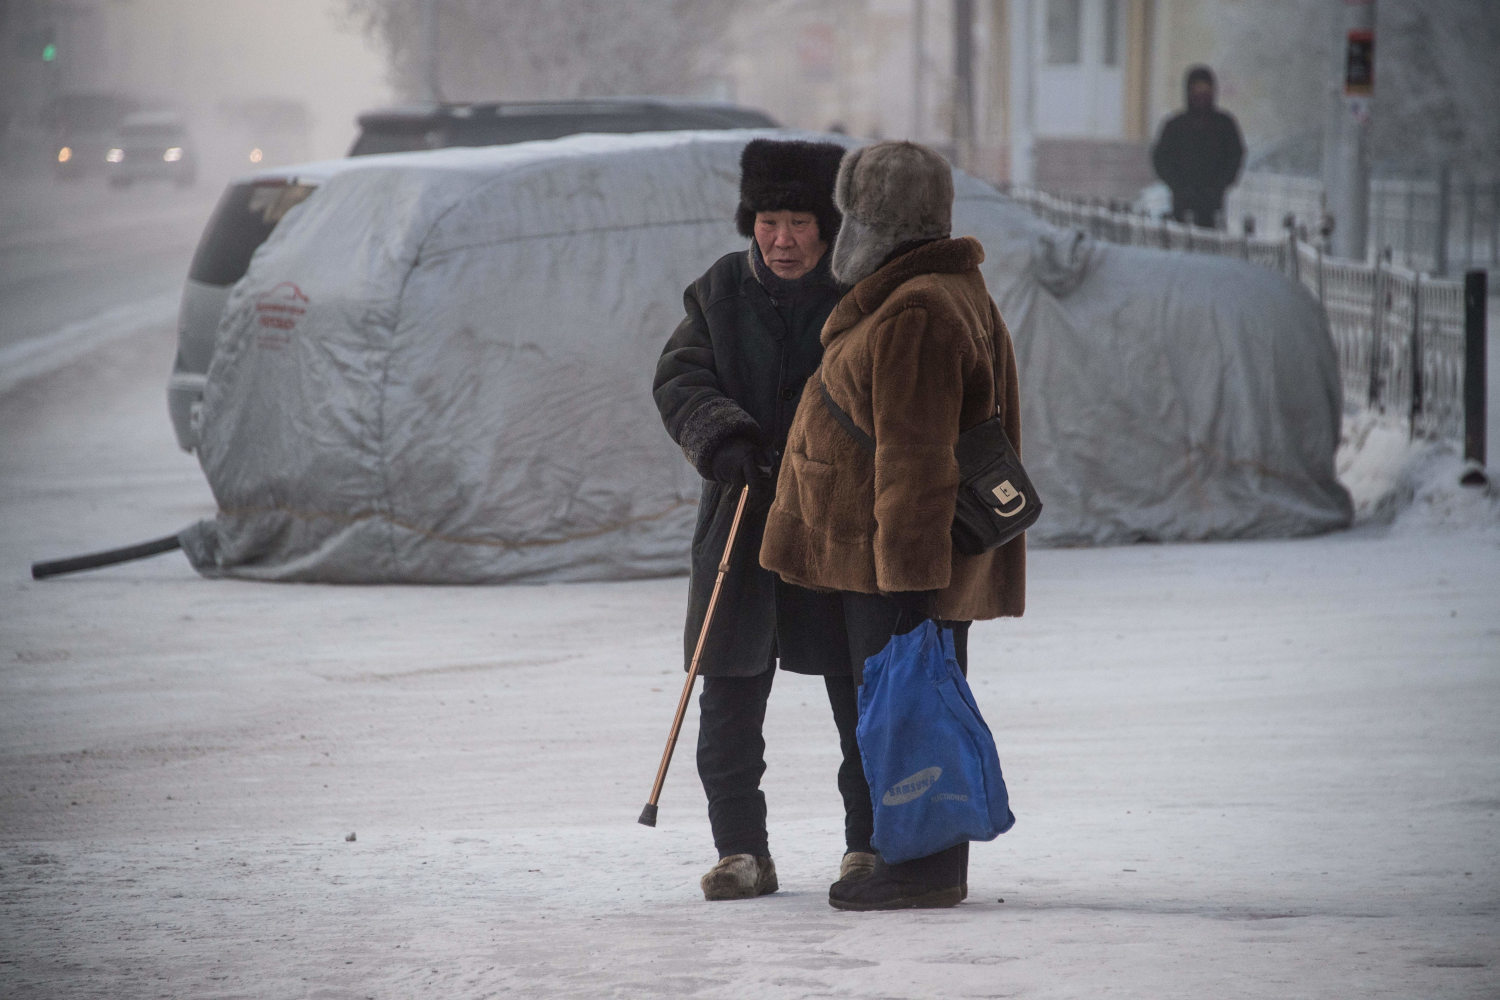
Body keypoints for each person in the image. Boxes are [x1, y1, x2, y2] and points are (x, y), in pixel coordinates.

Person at [759, 139, 1027, 911]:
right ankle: (910, 858)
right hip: (883, 563)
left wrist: (911, 590)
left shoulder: (915, 309)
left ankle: (924, 868)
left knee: (909, 714)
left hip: (895, 568)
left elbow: (916, 460)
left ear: (873, 218)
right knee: (902, 713)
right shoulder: (943, 290)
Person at [653, 138, 880, 901]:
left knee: (857, 695)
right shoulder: (718, 290)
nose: (782, 240)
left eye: (800, 222)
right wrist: (724, 440)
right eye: (769, 221)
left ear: (829, 226)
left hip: (834, 525)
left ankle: (867, 846)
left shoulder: (860, 295)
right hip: (740, 520)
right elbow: (680, 377)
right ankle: (741, 851)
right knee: (728, 695)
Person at [1150, 64, 1246, 228]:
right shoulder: (1175, 126)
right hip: (1181, 203)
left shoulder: (1224, 125)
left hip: (1212, 205)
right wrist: (1178, 185)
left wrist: (1218, 186)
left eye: (1205, 89)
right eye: (1196, 89)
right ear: (1188, 91)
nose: (1201, 95)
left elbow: (1235, 156)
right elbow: (1160, 158)